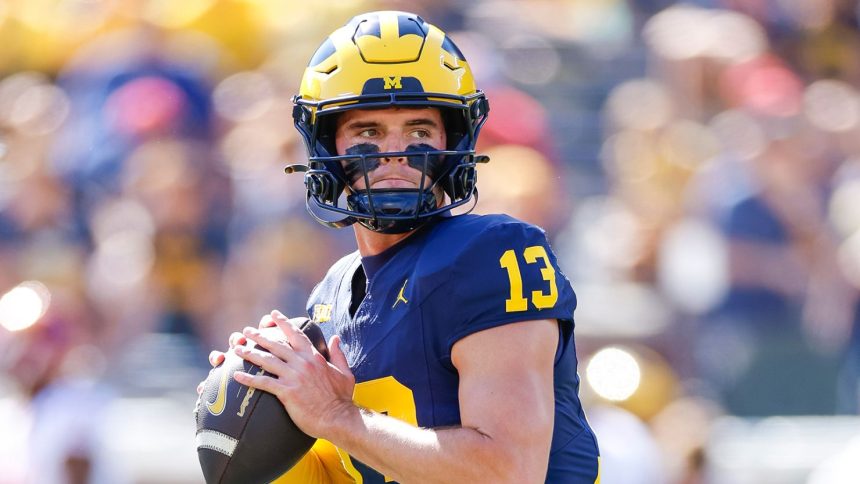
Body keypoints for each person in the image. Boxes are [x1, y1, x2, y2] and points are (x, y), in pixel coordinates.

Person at [206, 11, 600, 483]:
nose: (395, 152)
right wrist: (264, 404)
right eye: (368, 133)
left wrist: (335, 415)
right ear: (325, 145)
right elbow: (358, 468)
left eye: (418, 131)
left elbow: (509, 471)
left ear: (452, 141)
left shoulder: (494, 254)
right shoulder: (331, 296)